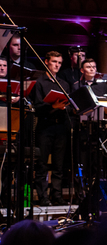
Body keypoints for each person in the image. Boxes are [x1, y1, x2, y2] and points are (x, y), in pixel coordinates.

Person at [29, 51, 71, 206]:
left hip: (60, 126)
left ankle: (57, 196)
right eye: (54, 62)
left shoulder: (63, 83)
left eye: (59, 62)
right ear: (46, 62)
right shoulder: (40, 82)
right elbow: (38, 107)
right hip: (45, 126)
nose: (57, 65)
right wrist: (53, 106)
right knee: (42, 165)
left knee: (59, 165)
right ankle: (43, 197)